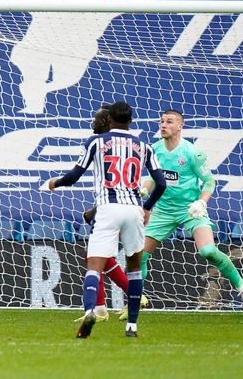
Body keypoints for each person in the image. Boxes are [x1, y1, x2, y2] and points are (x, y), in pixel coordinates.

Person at [12, 0, 211, 114]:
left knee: (61, 81)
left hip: (73, 52)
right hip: (38, 48)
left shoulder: (101, 11)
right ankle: (34, 106)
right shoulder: (53, 8)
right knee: (34, 77)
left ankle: (38, 94)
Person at [49, 101, 166, 338]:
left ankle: (92, 310)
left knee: (94, 265)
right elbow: (161, 183)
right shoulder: (144, 146)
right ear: (130, 121)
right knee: (134, 268)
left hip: (107, 207)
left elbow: (74, 176)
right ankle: (131, 326)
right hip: (134, 209)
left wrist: (56, 183)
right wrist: (148, 208)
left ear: (109, 120)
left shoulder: (96, 142)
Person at [140, 110, 243, 310]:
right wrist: (144, 190)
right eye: (161, 121)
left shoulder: (192, 152)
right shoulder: (154, 149)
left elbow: (209, 182)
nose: (163, 125)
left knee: (208, 250)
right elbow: (153, 178)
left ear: (180, 126)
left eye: (169, 121)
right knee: (139, 254)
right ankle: (137, 296)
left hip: (191, 209)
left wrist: (201, 203)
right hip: (164, 211)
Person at [74, 106, 146, 323]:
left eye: (96, 119)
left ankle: (105, 305)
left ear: (107, 121)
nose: (92, 122)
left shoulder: (101, 144)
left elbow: (118, 185)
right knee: (100, 258)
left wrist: (56, 183)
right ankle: (101, 308)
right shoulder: (126, 145)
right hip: (118, 207)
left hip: (116, 209)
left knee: (96, 258)